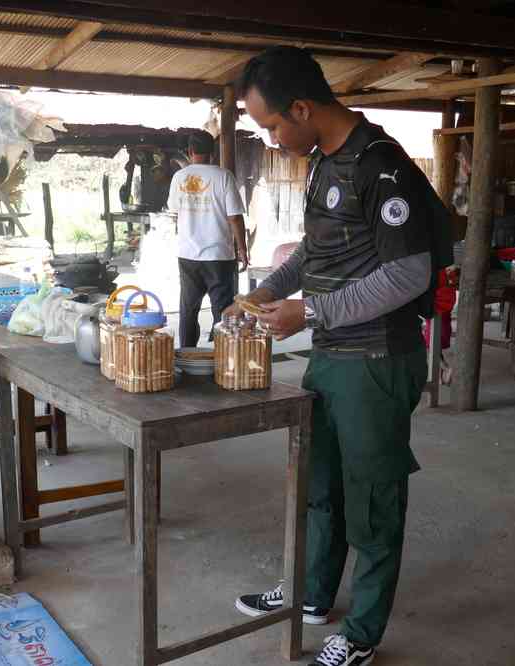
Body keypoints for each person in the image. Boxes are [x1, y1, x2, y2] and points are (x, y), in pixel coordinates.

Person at [230, 46, 452, 666]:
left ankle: (361, 636)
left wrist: (313, 311)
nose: (271, 139)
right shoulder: (325, 161)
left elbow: (408, 274)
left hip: (377, 362)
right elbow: (316, 249)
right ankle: (310, 593)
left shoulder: (381, 166)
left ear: (302, 107)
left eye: (272, 125)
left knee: (374, 498)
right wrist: (271, 289)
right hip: (331, 356)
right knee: (319, 483)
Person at [167, 130, 249, 348]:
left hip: (187, 256)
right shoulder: (223, 176)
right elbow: (235, 218)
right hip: (219, 256)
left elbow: (175, 213)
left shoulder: (179, 178)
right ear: (212, 152)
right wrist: (243, 249)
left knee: (188, 310)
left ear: (190, 151)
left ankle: (186, 356)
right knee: (223, 312)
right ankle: (223, 359)